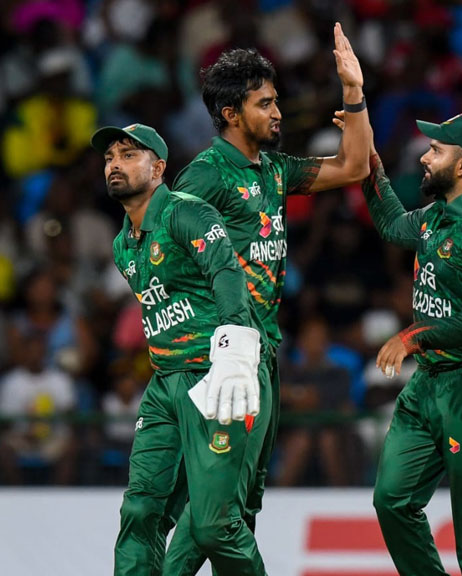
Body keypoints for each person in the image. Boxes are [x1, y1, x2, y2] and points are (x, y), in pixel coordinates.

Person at [163, 22, 371, 574]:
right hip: (225, 359)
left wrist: (353, 93)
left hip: (265, 354)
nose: (278, 113)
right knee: (217, 512)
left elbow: (354, 165)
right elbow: (160, 249)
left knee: (235, 506)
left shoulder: (274, 171)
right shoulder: (204, 177)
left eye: (276, 101)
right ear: (232, 114)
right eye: (265, 103)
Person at [350, 110, 462, 576]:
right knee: (391, 500)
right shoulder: (436, 216)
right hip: (430, 380)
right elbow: (391, 226)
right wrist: (370, 168)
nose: (425, 157)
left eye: (436, 150)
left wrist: (414, 335)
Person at [94, 123, 270, 576]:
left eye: (129, 155)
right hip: (164, 384)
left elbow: (227, 272)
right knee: (139, 513)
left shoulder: (186, 212)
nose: (115, 163)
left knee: (214, 526)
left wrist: (234, 348)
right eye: (111, 156)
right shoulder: (122, 246)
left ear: (159, 168)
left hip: (215, 378)